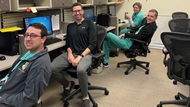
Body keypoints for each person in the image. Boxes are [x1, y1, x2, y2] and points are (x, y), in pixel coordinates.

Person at [51, 2, 97, 107]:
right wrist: (70, 54)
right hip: (72, 54)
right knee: (51, 68)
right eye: (75, 11)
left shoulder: (90, 24)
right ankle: (67, 85)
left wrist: (80, 56)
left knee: (80, 70)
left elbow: (93, 44)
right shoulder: (70, 26)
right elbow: (68, 44)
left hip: (86, 55)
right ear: (72, 13)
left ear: (82, 11)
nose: (77, 13)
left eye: (79, 10)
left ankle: (85, 97)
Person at [0, 23, 52, 107]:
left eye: (33, 36)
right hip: (5, 88)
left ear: (43, 39)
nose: (27, 39)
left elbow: (29, 98)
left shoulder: (40, 64)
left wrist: (2, 99)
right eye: (26, 35)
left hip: (7, 99)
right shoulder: (30, 53)